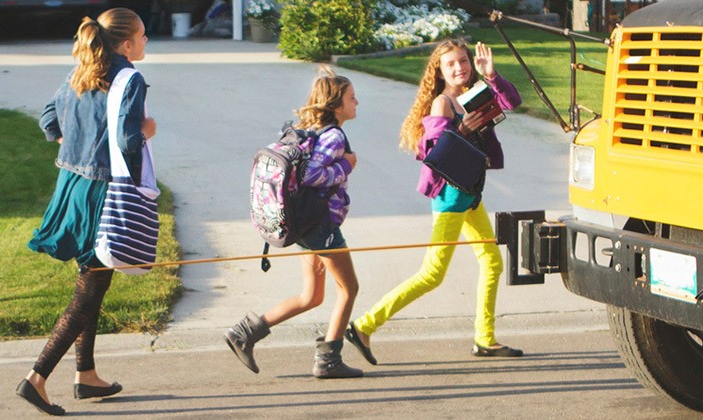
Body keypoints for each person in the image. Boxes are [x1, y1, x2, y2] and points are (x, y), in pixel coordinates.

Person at [344, 39, 523, 365]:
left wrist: (492, 75)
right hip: (451, 196)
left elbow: (511, 103)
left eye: (464, 61)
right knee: (432, 274)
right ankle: (364, 325)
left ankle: (484, 338)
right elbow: (435, 154)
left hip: (470, 193)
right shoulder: (443, 104)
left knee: (491, 261)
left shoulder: (472, 94)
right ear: (439, 71)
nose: (460, 68)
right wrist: (464, 131)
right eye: (451, 64)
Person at [19, 8, 155, 416]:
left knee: (94, 280)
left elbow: (48, 122)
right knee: (91, 288)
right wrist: (148, 132)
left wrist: (77, 144)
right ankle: (36, 378)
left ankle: (86, 374)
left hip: (72, 187)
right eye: (144, 36)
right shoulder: (128, 78)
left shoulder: (82, 70)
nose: (147, 42)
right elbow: (129, 139)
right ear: (127, 44)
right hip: (105, 192)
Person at [224, 65, 364, 379]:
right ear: (335, 105)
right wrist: (345, 165)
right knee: (349, 289)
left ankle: (243, 333)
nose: (357, 103)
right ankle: (329, 360)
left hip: (306, 224)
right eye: (352, 98)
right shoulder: (334, 136)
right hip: (321, 227)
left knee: (311, 296)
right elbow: (312, 174)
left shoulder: (311, 130)